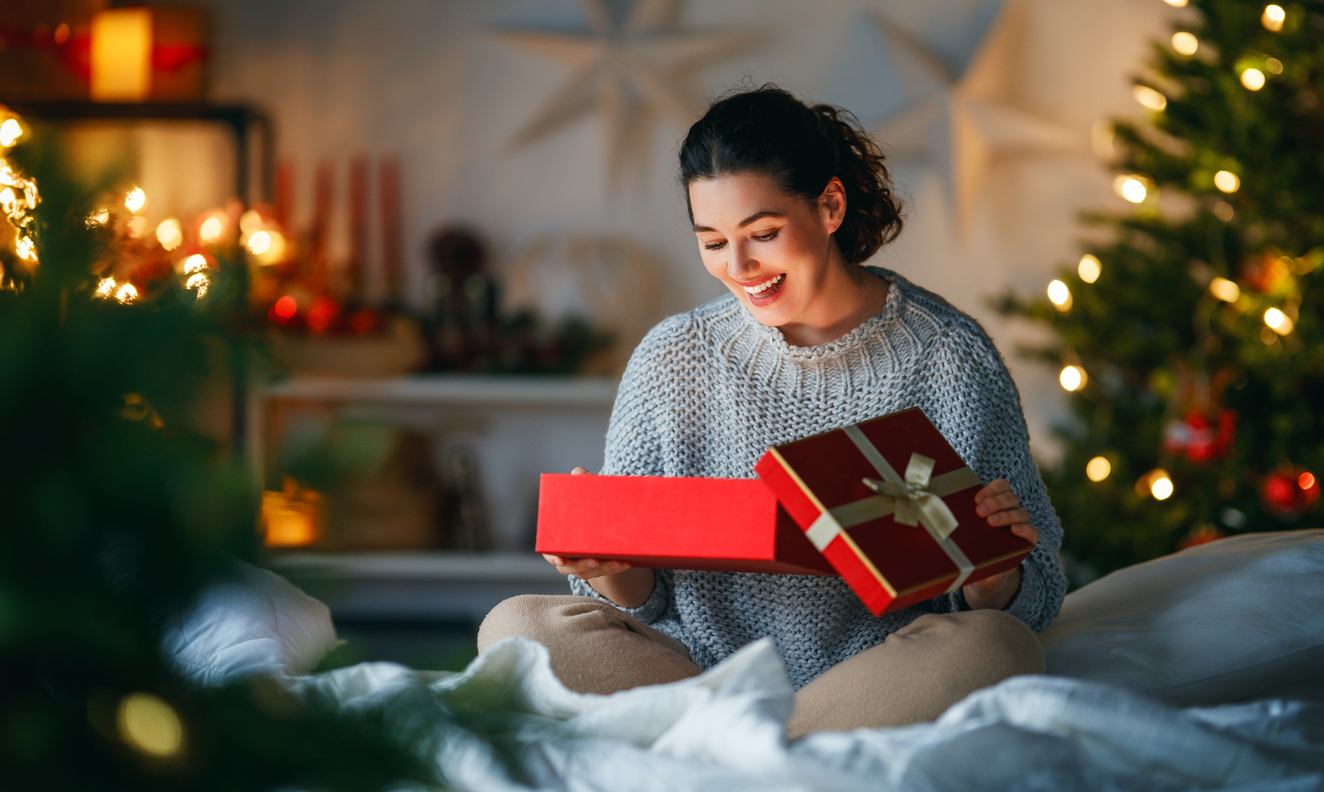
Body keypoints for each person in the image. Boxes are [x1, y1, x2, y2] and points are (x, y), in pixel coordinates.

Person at [478, 86, 1066, 737]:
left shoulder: (949, 356)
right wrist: (612, 567)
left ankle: (739, 747)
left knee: (996, 649)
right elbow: (642, 604)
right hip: (696, 672)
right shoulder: (671, 356)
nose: (739, 267)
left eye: (763, 234)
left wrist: (996, 576)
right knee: (515, 630)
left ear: (831, 205)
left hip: (876, 675)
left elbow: (1035, 592)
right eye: (712, 241)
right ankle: (773, 747)